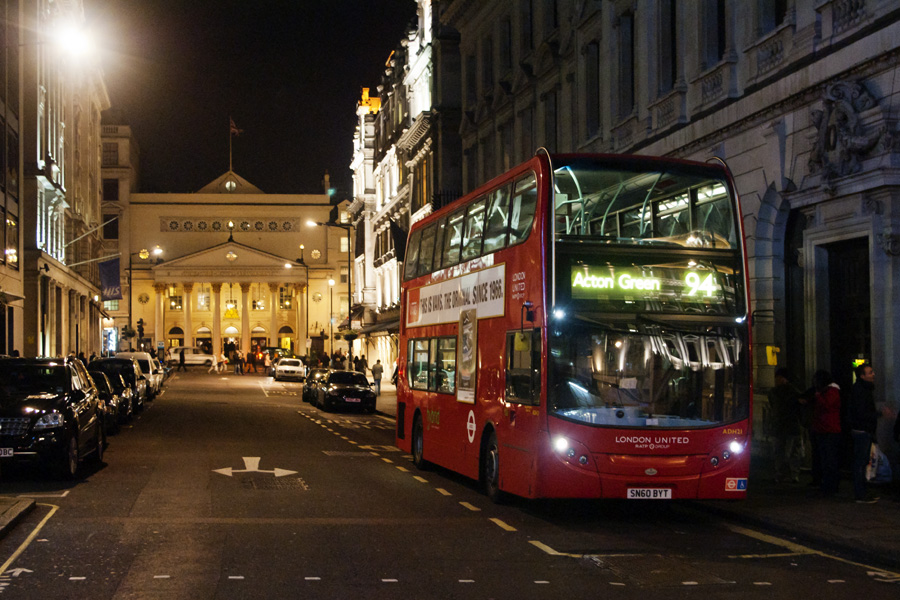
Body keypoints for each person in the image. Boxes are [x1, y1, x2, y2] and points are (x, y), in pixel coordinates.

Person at [847, 363, 896, 503]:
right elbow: (862, 413)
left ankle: (862, 491)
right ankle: (860, 494)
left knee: (862, 462)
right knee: (861, 463)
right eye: (870, 372)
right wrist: (880, 413)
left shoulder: (863, 389)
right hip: (862, 430)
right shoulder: (861, 390)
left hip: (863, 429)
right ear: (862, 376)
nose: (873, 374)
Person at [800, 370, 842, 496]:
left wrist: (817, 396)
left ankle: (831, 486)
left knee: (830, 460)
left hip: (829, 430)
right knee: (823, 458)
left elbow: (827, 405)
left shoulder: (832, 392)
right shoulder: (825, 392)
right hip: (821, 429)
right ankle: (825, 483)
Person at [767, 368, 803, 484]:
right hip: (791, 426)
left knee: (780, 452)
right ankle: (793, 474)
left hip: (781, 425)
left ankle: (781, 474)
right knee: (791, 452)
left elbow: (773, 407)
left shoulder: (774, 392)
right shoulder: (794, 392)